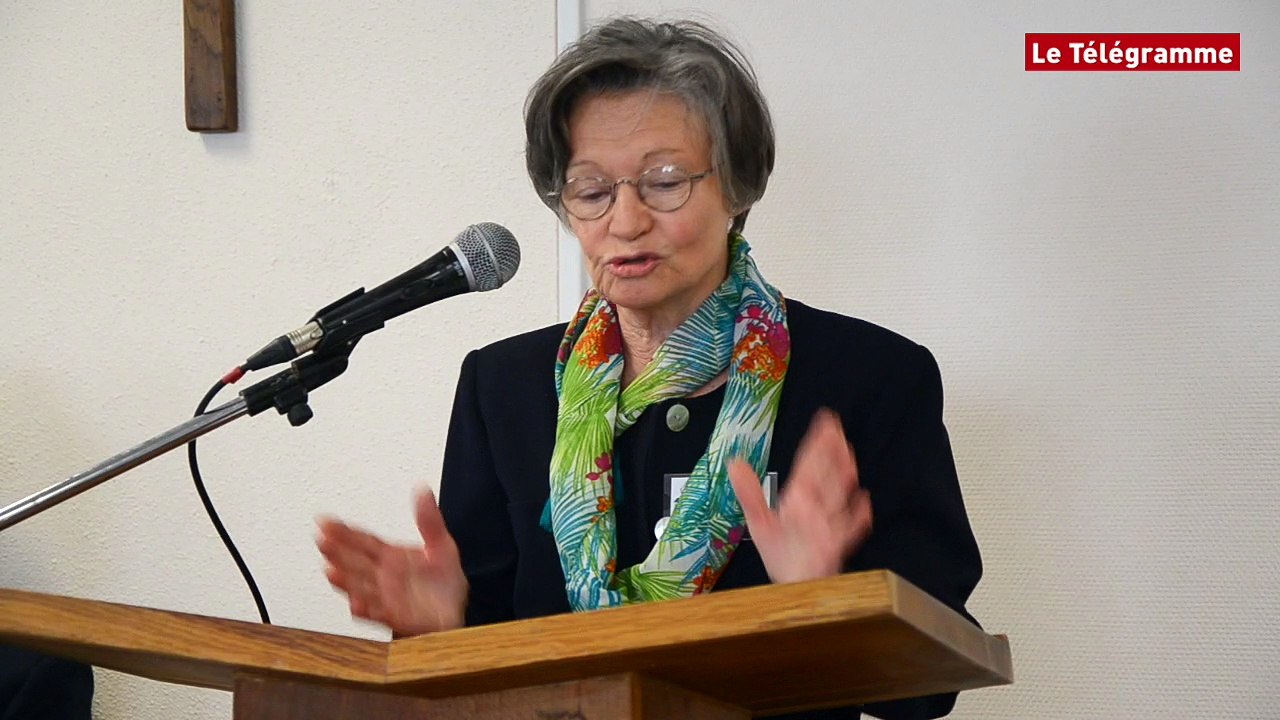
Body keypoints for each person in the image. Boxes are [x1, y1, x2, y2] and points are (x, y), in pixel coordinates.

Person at [317, 17, 981, 719]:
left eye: (664, 182)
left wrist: (821, 603)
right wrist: (440, 630)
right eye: (591, 191)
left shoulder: (871, 378)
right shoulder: (504, 387)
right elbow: (484, 665)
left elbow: (930, 687)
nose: (626, 221)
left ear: (737, 187)